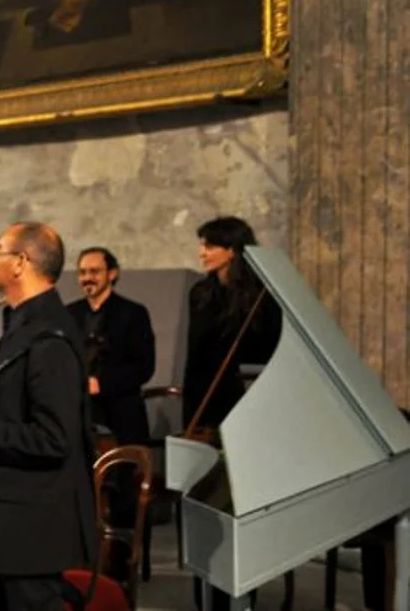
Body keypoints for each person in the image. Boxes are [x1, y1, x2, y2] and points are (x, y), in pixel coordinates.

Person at [0, 222, 97, 610]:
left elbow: (54, 438)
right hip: (3, 523)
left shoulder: (50, 338)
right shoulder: (23, 324)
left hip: (27, 531)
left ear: (21, 262)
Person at [182, 216, 282, 610]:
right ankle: (206, 599)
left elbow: (271, 356)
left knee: (239, 511)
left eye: (210, 245)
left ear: (234, 249)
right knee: (203, 506)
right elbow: (195, 360)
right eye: (202, 244)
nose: (202, 252)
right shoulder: (200, 293)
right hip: (207, 409)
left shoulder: (262, 296)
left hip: (246, 411)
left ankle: (240, 597)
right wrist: (190, 418)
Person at [67, 246, 156, 583]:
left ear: (112, 274)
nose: (87, 278)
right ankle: (81, 563)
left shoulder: (133, 314)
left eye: (94, 271)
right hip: (81, 415)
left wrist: (100, 384)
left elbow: (144, 368)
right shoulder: (69, 313)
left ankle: (124, 565)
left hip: (121, 413)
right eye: (82, 272)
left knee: (125, 494)